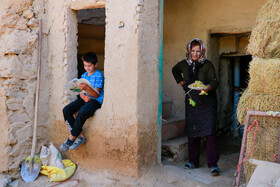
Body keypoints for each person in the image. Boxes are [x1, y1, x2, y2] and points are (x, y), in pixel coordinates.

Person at [172, 38, 220, 176]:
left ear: (202, 51)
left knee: (210, 133)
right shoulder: (183, 64)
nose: (195, 54)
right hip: (192, 101)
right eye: (192, 51)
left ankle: (213, 164)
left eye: (198, 51)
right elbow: (174, 70)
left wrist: (207, 88)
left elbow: (214, 81)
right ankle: (193, 161)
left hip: (207, 103)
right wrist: (182, 83)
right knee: (193, 133)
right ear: (188, 50)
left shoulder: (207, 65)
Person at [60, 52, 104, 151]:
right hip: (85, 99)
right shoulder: (84, 75)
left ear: (95, 64)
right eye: (85, 65)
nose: (87, 68)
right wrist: (84, 97)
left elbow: (96, 94)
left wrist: (88, 91)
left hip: (95, 101)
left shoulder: (98, 75)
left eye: (89, 66)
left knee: (83, 111)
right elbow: (80, 91)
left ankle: (71, 137)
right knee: (66, 110)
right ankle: (80, 136)